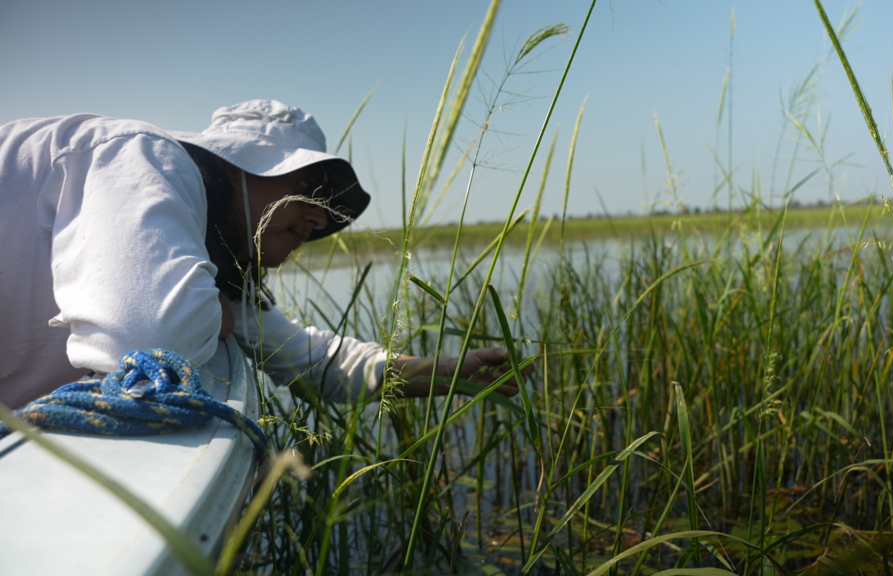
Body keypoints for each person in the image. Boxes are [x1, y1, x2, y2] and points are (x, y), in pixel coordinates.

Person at [0, 99, 524, 410]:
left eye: (328, 206)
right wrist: (216, 317)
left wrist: (446, 372)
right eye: (308, 187)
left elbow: (317, 363)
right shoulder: (142, 157)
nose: (320, 219)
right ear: (235, 167)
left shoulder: (218, 263)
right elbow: (147, 340)